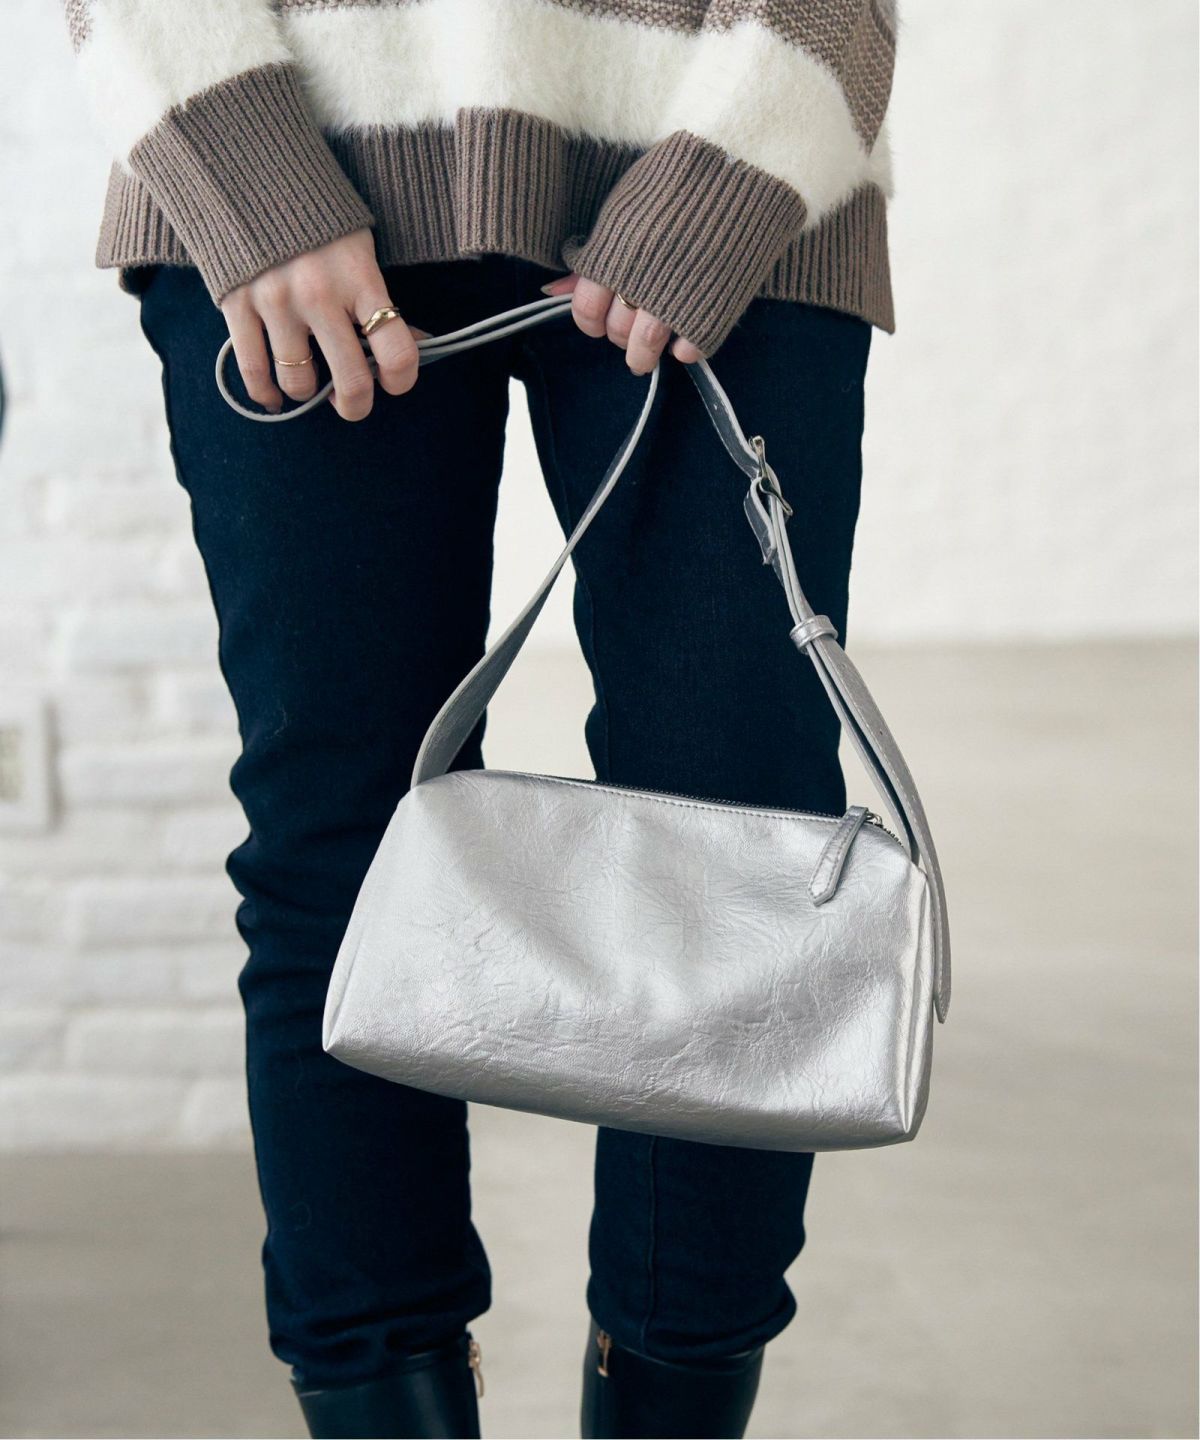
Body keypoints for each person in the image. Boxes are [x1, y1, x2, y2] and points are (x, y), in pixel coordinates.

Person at [63, 3, 898, 1435]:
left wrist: (735, 159)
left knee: (741, 856)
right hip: (299, 134)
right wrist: (248, 171)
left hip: (728, 148)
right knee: (345, 844)